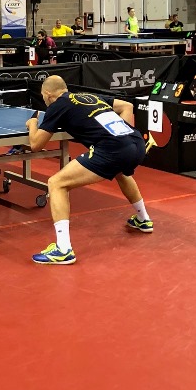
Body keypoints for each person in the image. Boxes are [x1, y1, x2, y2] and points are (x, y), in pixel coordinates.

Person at [25, 76, 152, 265]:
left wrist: (32, 124)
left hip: (114, 149)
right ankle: (143, 219)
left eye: (43, 96)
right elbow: (127, 106)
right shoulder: (88, 97)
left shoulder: (57, 105)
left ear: (48, 94)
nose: (44, 99)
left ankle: (63, 250)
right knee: (120, 172)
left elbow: (36, 144)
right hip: (136, 142)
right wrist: (121, 137)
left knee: (56, 183)